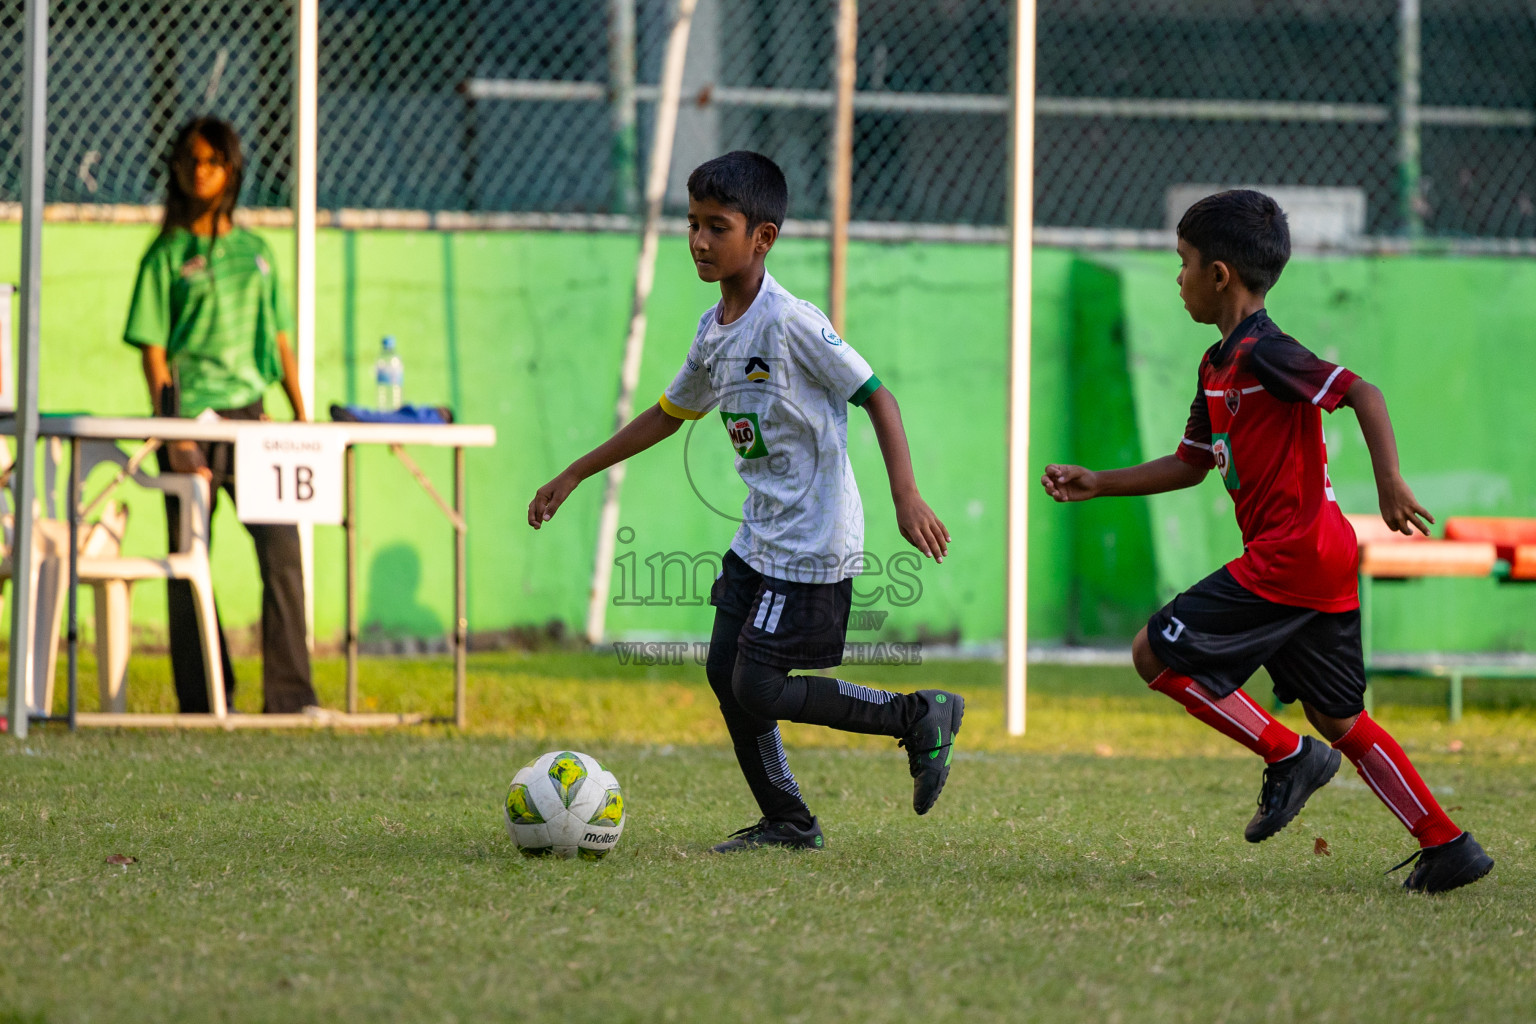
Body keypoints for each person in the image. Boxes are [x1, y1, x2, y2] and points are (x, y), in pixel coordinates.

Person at [1041, 190, 1492, 894]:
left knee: (1154, 653)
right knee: (1339, 716)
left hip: (1294, 555)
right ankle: (1447, 844)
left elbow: (1362, 394)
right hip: (1322, 558)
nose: (1178, 277)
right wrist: (1100, 482)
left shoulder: (1266, 353)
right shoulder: (1216, 365)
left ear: (1220, 275)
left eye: (1184, 262)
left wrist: (1390, 484)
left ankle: (1287, 757)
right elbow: (1191, 464)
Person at [529, 151, 961, 852]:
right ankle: (788, 820)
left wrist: (905, 495)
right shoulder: (713, 330)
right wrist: (575, 472)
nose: (699, 241)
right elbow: (669, 414)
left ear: (761, 238)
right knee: (724, 672)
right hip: (761, 537)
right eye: (692, 224)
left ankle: (917, 715)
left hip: (815, 538)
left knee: (758, 685)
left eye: (717, 227)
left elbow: (877, 395)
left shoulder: (790, 322)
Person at [123, 117, 318, 715]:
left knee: (282, 555)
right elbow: (153, 354)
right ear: (176, 171)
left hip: (252, 423)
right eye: (188, 160)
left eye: (211, 160)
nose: (199, 169)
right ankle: (203, 701)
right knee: (189, 563)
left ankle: (290, 699)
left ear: (232, 169)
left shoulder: (255, 253)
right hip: (188, 423)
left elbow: (281, 342)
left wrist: (302, 420)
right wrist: (174, 435)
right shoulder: (165, 255)